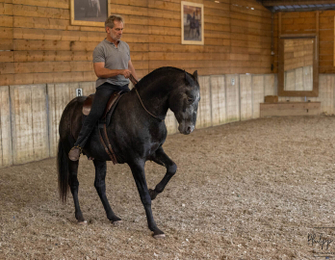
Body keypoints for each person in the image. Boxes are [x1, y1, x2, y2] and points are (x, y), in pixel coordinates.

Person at [68, 14, 138, 161]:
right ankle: (79, 145)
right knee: (95, 113)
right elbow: (99, 71)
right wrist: (119, 71)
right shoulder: (100, 48)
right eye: (117, 29)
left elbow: (130, 66)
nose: (120, 32)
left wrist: (137, 82)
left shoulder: (125, 46)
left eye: (122, 29)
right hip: (106, 87)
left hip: (123, 86)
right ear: (108, 29)